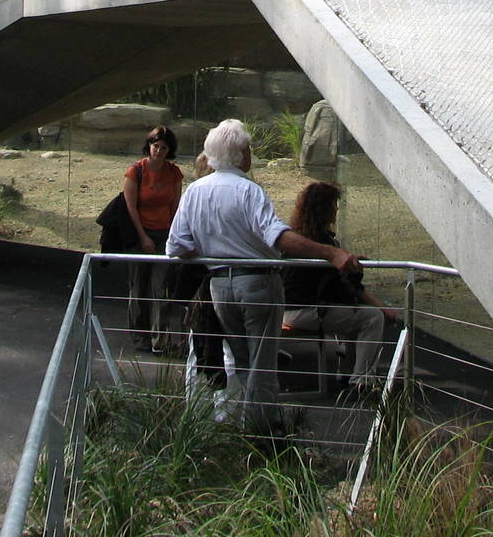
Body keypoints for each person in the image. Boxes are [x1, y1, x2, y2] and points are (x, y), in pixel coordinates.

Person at [167, 119, 362, 433]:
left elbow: (177, 245)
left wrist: (214, 250)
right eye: (248, 149)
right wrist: (332, 253)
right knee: (261, 362)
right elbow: (279, 237)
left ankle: (243, 427)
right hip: (257, 281)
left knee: (243, 361)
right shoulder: (248, 190)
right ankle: (263, 432)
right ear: (242, 154)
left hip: (219, 284)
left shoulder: (195, 191)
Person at [282, 182, 400, 393]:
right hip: (307, 312)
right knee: (372, 318)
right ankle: (362, 381)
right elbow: (347, 287)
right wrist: (380, 305)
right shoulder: (324, 243)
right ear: (324, 209)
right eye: (334, 204)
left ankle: (346, 373)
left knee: (352, 315)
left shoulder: (296, 238)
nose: (337, 209)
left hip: (286, 310)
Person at [123, 125, 184, 352]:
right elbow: (130, 207)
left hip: (164, 235)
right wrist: (143, 236)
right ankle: (140, 338)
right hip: (141, 234)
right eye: (155, 146)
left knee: (161, 287)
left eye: (164, 148)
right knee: (138, 287)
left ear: (170, 150)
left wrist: (174, 235)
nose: (158, 151)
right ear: (149, 146)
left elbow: (177, 206)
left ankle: (161, 338)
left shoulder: (174, 173)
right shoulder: (135, 171)